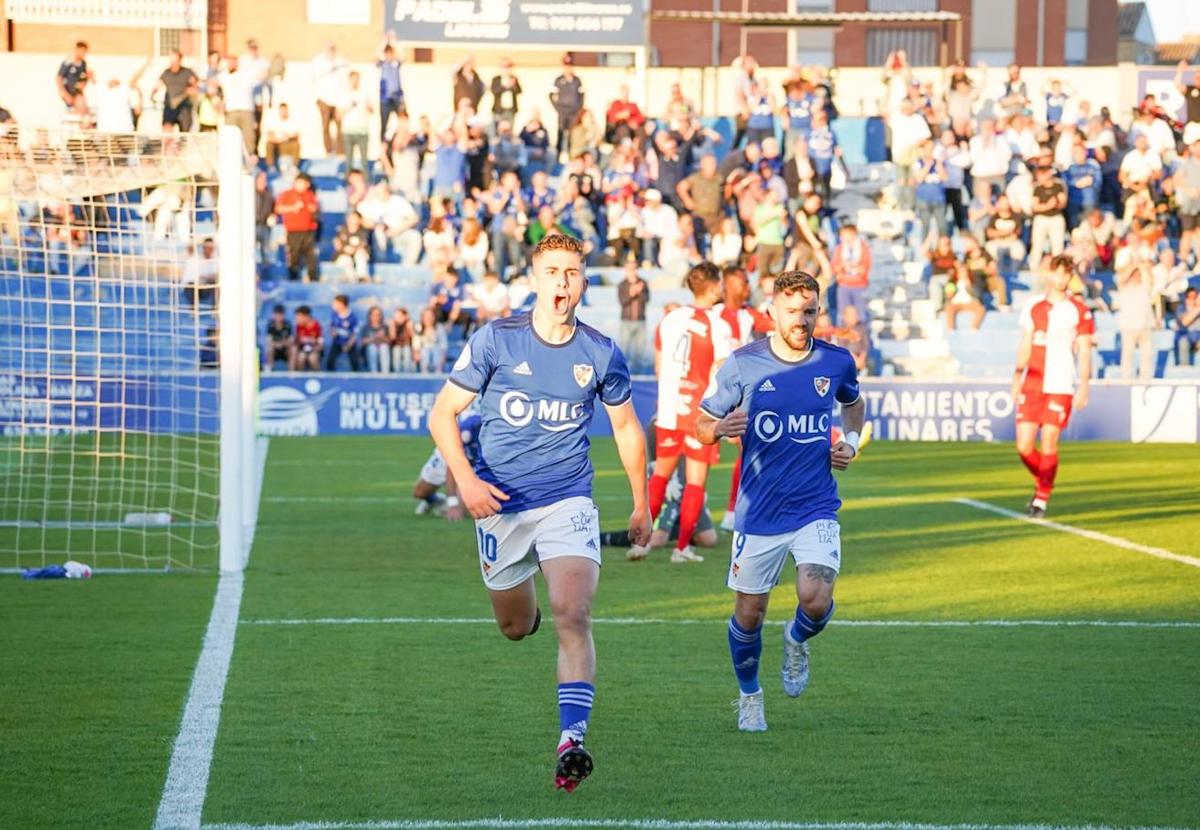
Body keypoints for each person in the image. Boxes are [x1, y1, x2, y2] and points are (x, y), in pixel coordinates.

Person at [428, 233, 651, 793]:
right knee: (515, 627)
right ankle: (525, 614)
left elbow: (625, 427)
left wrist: (641, 501)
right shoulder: (496, 340)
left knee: (572, 613)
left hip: (568, 497)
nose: (562, 283)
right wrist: (468, 482)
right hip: (499, 504)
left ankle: (571, 740)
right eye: (552, 271)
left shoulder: (599, 351)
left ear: (582, 282)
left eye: (572, 273)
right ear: (534, 277)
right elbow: (443, 415)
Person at [696, 269, 864, 732]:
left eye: (810, 311)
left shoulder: (836, 361)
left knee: (815, 597)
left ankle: (796, 639)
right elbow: (702, 423)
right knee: (749, 615)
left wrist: (850, 440)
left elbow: (854, 402)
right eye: (793, 311)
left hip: (815, 505)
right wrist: (717, 430)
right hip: (759, 513)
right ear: (772, 310)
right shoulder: (743, 364)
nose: (802, 320)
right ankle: (750, 696)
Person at [636, 262, 733, 564]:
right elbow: (723, 369)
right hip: (700, 412)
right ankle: (681, 549)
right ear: (715, 285)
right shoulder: (719, 325)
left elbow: (659, 365)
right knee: (694, 481)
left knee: (660, 475)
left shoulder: (670, 319)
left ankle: (642, 543)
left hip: (668, 408)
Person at [1012, 255, 1094, 518]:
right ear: (1048, 275)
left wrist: (1084, 385)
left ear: (1070, 277)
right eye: (1057, 274)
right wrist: (1016, 376)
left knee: (1049, 439)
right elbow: (1025, 343)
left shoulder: (1078, 309)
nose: (1061, 279)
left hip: (1060, 383)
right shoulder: (1033, 306)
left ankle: (1041, 499)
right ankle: (1045, 480)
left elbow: (1084, 351)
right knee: (1024, 447)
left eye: (1066, 275)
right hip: (1033, 381)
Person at [414, 413, 482, 519]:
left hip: (473, 465)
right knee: (420, 493)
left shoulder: (499, 434)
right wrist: (452, 504)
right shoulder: (467, 430)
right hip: (449, 456)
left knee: (461, 512)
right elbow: (452, 467)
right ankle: (436, 501)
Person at [274, 174, 320, 282]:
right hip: (293, 230)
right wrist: (293, 208)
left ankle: (313, 278)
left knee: (310, 255)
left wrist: (310, 208)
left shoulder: (310, 195)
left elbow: (315, 209)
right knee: (294, 254)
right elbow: (278, 208)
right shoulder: (287, 194)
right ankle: (293, 277)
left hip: (308, 230)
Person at [1116, 265, 1155, 380]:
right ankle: (1126, 378)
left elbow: (1151, 278)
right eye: (1134, 275)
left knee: (1147, 354)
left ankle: (1145, 378)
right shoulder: (1124, 288)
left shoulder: (1144, 287)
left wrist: (1141, 265)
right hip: (1128, 326)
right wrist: (1133, 265)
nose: (1137, 277)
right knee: (1128, 353)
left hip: (1145, 326)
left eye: (1138, 275)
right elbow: (1121, 279)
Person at [830, 223, 871, 322]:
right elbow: (834, 266)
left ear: (854, 234)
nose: (845, 238)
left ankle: (862, 335)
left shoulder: (864, 248)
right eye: (843, 235)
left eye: (847, 235)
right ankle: (842, 336)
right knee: (842, 313)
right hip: (844, 284)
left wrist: (855, 266)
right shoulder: (839, 249)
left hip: (859, 284)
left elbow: (866, 265)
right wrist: (843, 266)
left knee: (861, 313)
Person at [617, 257, 650, 372]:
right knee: (625, 349)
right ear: (626, 270)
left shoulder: (643, 283)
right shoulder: (622, 285)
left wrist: (639, 292)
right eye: (630, 269)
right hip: (626, 321)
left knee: (639, 350)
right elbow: (622, 301)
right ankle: (623, 372)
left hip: (640, 321)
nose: (632, 271)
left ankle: (638, 372)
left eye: (634, 268)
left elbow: (646, 299)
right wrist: (632, 293)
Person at [550, 55, 584, 160]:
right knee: (560, 133)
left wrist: (578, 109)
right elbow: (551, 95)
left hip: (573, 112)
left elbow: (582, 95)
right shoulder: (558, 80)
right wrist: (558, 108)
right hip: (562, 112)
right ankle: (557, 157)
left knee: (571, 136)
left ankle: (571, 157)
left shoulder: (577, 80)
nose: (567, 69)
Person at [156, 51, 198, 132]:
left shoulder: (187, 72)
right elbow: (158, 85)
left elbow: (196, 86)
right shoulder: (166, 73)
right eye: (172, 60)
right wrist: (154, 93)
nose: (173, 63)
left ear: (180, 60)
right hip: (169, 106)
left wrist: (191, 90)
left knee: (185, 133)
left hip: (184, 107)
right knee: (167, 129)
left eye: (175, 60)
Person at [340, 71, 374, 173]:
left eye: (357, 79)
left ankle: (366, 184)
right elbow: (338, 115)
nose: (355, 82)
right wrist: (349, 107)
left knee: (364, 161)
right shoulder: (344, 95)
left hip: (363, 130)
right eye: (353, 79)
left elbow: (372, 110)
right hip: (348, 131)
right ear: (349, 80)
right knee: (348, 161)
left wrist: (369, 107)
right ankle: (349, 184)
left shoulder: (364, 94)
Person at [377, 39, 405, 141]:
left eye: (391, 53)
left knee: (402, 120)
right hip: (385, 98)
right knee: (384, 122)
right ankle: (383, 144)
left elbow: (402, 56)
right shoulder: (383, 64)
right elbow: (376, 55)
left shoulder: (396, 63)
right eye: (387, 53)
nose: (389, 55)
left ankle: (400, 140)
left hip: (397, 97)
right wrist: (383, 42)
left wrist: (394, 42)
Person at [325, 294, 361, 372]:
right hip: (337, 342)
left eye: (335, 304)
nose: (333, 306)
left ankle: (356, 378)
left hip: (349, 342)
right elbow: (332, 328)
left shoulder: (352, 317)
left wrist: (348, 345)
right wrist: (333, 333)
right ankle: (331, 377)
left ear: (341, 304)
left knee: (355, 361)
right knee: (330, 361)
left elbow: (355, 334)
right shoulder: (334, 315)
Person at [332, 211, 371, 281]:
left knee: (360, 254)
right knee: (346, 260)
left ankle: (361, 277)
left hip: (357, 256)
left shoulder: (363, 231)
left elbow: (363, 244)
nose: (352, 220)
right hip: (343, 256)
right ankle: (352, 279)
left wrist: (353, 249)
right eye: (350, 218)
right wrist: (345, 249)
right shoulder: (341, 230)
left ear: (360, 220)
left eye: (354, 218)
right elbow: (337, 246)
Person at [262, 102, 301, 169]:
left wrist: (288, 137)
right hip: (276, 145)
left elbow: (296, 134)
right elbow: (270, 137)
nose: (284, 112)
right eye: (282, 110)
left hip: (288, 144)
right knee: (269, 144)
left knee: (296, 144)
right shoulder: (273, 121)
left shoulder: (292, 121)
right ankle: (271, 167)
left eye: (285, 110)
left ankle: (294, 167)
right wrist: (280, 140)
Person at [57, 42, 92, 112]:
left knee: (84, 109)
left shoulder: (83, 63)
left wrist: (86, 80)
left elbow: (84, 78)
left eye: (84, 52)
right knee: (81, 109)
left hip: (77, 93)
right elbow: (59, 78)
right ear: (76, 50)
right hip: (68, 93)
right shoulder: (68, 62)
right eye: (81, 51)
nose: (83, 54)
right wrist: (65, 94)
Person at [290, 305, 323, 371]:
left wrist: (314, 349)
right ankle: (296, 376)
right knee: (301, 357)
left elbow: (320, 344)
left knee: (312, 358)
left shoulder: (317, 326)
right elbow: (296, 341)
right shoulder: (299, 326)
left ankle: (318, 376)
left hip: (315, 350)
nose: (297, 320)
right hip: (303, 350)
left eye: (299, 317)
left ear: (307, 317)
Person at [491, 58, 522, 124]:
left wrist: (513, 85)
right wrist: (506, 86)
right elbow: (494, 91)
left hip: (511, 110)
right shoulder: (496, 79)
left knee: (509, 130)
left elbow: (519, 91)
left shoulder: (514, 78)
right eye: (505, 67)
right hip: (499, 110)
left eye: (509, 66)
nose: (507, 69)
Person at [360, 306, 391, 372]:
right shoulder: (366, 327)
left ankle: (385, 373)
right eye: (374, 315)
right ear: (369, 316)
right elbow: (363, 341)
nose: (376, 317)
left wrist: (382, 338)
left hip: (383, 349)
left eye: (378, 315)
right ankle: (373, 373)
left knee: (384, 347)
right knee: (372, 348)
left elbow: (389, 341)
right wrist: (375, 337)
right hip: (369, 350)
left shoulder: (385, 327)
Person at [264, 304, 292, 371]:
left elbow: (290, 340)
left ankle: (292, 371)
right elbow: (268, 341)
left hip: (285, 349)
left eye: (280, 315)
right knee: (269, 349)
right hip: (275, 349)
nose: (278, 317)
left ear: (284, 315)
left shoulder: (288, 325)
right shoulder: (270, 325)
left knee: (293, 349)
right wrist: (276, 345)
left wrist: (282, 344)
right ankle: (270, 370)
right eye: (276, 315)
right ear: (273, 315)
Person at [1176, 287, 1200, 366]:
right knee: (1183, 342)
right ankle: (1184, 369)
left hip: (1198, 338)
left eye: (1195, 297)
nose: (1192, 300)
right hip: (1186, 336)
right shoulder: (1181, 308)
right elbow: (1185, 322)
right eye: (1190, 297)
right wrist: (1197, 308)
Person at [389, 307, 416, 372]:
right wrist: (392, 326)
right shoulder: (393, 324)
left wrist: (410, 327)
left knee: (407, 350)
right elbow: (393, 337)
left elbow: (414, 337)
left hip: (407, 346)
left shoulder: (409, 323)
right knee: (397, 350)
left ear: (405, 316)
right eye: (396, 316)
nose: (397, 318)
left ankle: (407, 372)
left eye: (400, 316)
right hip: (396, 346)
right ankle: (396, 372)